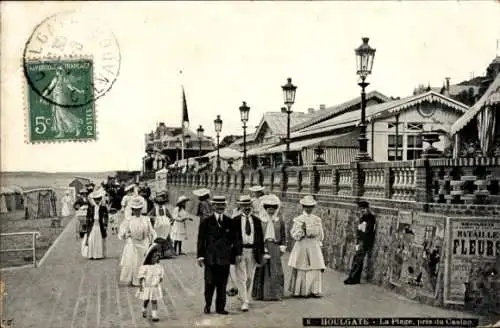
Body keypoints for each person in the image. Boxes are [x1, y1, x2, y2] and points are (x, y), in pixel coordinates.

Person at [197, 195, 242, 315]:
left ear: (225, 206)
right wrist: (200, 256)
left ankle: (220, 307)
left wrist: (238, 254)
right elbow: (201, 240)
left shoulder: (229, 222)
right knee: (209, 283)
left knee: (222, 285)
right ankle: (208, 305)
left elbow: (236, 239)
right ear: (213, 206)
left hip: (224, 258)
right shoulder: (206, 222)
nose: (220, 207)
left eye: (222, 205)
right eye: (217, 205)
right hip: (210, 258)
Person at [231, 195, 264, 312]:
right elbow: (233, 239)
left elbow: (260, 238)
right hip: (240, 252)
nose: (247, 207)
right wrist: (236, 252)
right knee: (241, 277)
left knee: (250, 277)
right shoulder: (235, 221)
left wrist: (262, 254)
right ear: (240, 206)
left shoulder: (257, 220)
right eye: (244, 205)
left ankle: (243, 295)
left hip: (253, 251)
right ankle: (245, 301)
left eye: (249, 205)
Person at [288, 195, 326, 298]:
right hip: (302, 244)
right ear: (303, 207)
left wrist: (319, 243)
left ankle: (314, 290)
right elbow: (294, 234)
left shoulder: (317, 219)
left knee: (315, 267)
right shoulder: (298, 219)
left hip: (313, 245)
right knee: (302, 267)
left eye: (311, 207)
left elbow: (320, 234)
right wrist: (302, 231)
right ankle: (300, 291)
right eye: (306, 206)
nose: (309, 209)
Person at [252, 194, 287, 301]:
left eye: (273, 209)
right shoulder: (261, 220)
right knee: (263, 268)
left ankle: (276, 294)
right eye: (269, 208)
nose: (271, 211)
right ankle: (261, 294)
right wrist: (261, 248)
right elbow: (257, 236)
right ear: (265, 209)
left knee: (276, 269)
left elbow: (283, 234)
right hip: (264, 245)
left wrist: (283, 245)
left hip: (275, 247)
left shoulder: (279, 220)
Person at [118, 195, 157, 286]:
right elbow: (122, 233)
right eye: (135, 209)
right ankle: (135, 280)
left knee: (143, 262)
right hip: (133, 244)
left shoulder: (146, 219)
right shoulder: (129, 220)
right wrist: (127, 235)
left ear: (141, 209)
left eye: (139, 209)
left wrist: (154, 241)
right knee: (134, 262)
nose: (137, 211)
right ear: (132, 210)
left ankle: (143, 279)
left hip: (144, 243)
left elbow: (152, 231)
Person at [40, 64, 84, 138]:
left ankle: (76, 127)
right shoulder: (55, 79)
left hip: (61, 98)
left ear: (63, 71)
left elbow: (71, 87)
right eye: (57, 70)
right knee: (57, 116)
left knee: (63, 114)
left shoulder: (64, 79)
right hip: (55, 98)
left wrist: (79, 91)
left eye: (60, 70)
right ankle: (61, 132)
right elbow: (49, 88)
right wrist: (43, 95)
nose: (58, 72)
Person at [344, 201, 377, 285]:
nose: (362, 210)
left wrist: (362, 229)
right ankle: (355, 278)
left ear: (367, 208)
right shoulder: (363, 217)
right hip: (360, 241)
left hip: (364, 241)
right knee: (357, 258)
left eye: (364, 208)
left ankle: (352, 278)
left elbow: (367, 230)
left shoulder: (370, 217)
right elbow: (360, 230)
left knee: (358, 259)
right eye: (361, 209)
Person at [136, 240, 166, 322]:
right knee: (146, 300)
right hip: (147, 287)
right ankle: (144, 308)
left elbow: (161, 274)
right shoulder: (146, 267)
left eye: (157, 257)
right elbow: (141, 276)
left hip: (154, 287)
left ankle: (154, 315)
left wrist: (160, 279)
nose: (156, 258)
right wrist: (140, 285)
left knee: (154, 301)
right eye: (154, 257)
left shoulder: (158, 267)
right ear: (149, 257)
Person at [83, 188, 109, 260]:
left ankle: (98, 255)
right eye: (95, 199)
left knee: (99, 239)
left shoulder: (103, 207)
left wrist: (105, 224)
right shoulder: (91, 207)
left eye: (98, 199)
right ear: (93, 199)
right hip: (93, 224)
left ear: (100, 199)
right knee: (91, 239)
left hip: (100, 225)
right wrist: (87, 224)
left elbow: (106, 216)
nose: (97, 201)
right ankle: (91, 254)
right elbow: (87, 217)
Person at [148, 191, 174, 258]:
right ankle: (159, 253)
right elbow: (149, 216)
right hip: (159, 227)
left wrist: (171, 219)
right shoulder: (155, 209)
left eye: (161, 203)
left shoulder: (164, 209)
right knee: (159, 239)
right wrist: (155, 218)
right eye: (159, 203)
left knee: (163, 239)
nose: (160, 204)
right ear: (157, 203)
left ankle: (165, 253)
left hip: (164, 226)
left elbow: (170, 216)